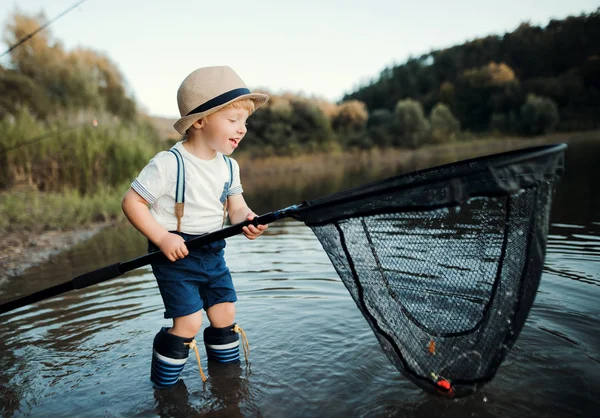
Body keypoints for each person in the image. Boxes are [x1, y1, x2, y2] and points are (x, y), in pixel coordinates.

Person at [121, 66, 269, 388]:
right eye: (233, 120)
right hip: (174, 253)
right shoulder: (169, 163)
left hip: (213, 249)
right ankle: (165, 388)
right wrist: (162, 237)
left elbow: (236, 206)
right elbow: (132, 203)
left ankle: (227, 383)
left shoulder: (230, 166)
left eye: (245, 122)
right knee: (187, 322)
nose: (242, 129)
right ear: (200, 121)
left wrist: (246, 218)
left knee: (224, 314)